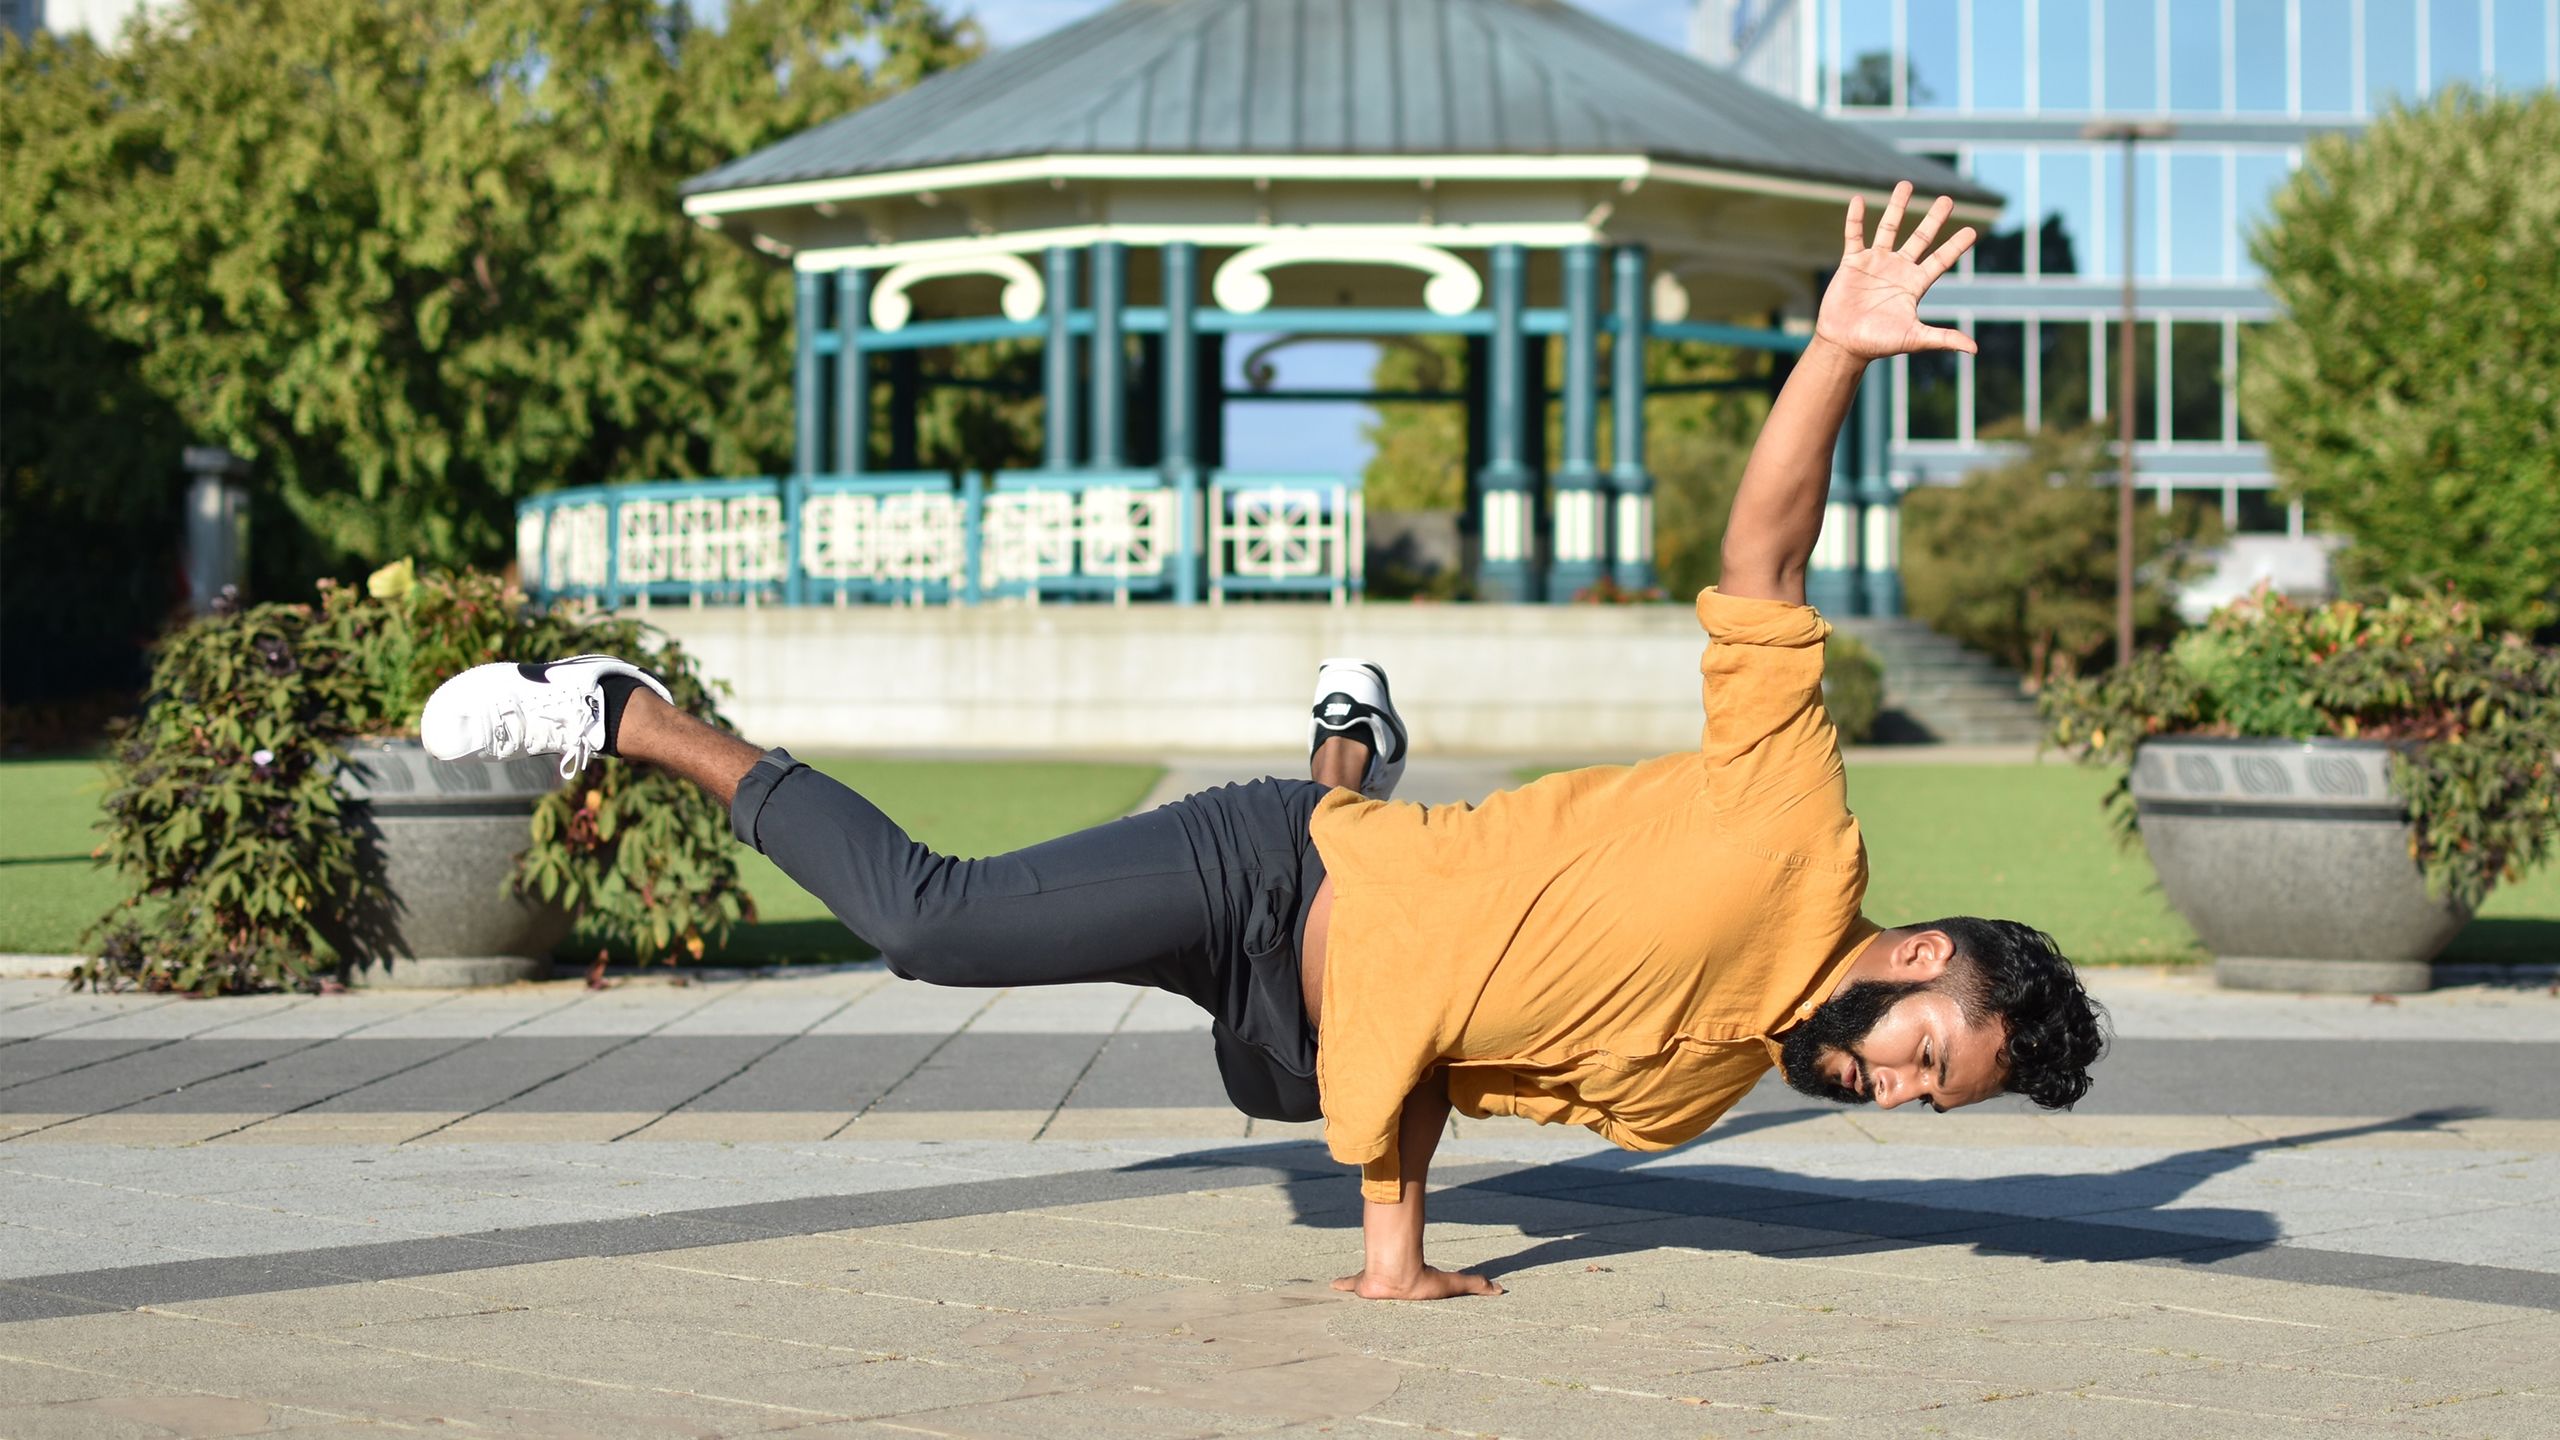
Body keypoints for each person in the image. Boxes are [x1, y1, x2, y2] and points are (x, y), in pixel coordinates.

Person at [423, 184, 2105, 1302]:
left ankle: (1350, 737)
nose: (1893, 1094)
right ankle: (630, 715)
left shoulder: (1695, 1096)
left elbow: (1440, 1050)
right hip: (1260, 875)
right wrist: (1829, 347)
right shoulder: (1796, 826)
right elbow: (1762, 565)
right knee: (933, 926)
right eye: (1924, 1058)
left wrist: (1397, 1256)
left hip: (1297, 1032)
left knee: (1336, 1001)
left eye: (1922, 1104)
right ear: (1922, 956)